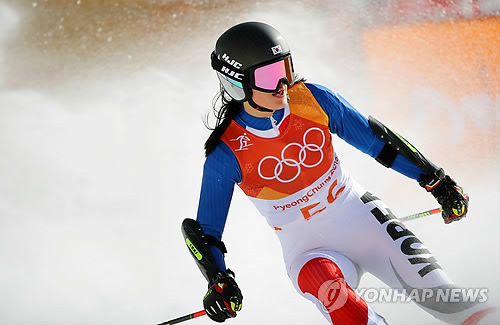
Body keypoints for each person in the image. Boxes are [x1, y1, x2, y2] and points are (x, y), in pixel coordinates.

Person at [181, 21, 495, 324]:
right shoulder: (226, 153)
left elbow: (379, 143)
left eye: (285, 69)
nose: (282, 85)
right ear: (237, 83)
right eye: (268, 75)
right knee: (347, 312)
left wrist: (437, 181)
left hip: (368, 221)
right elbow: (205, 232)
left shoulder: (313, 99)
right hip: (309, 254)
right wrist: (218, 279)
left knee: (453, 303)